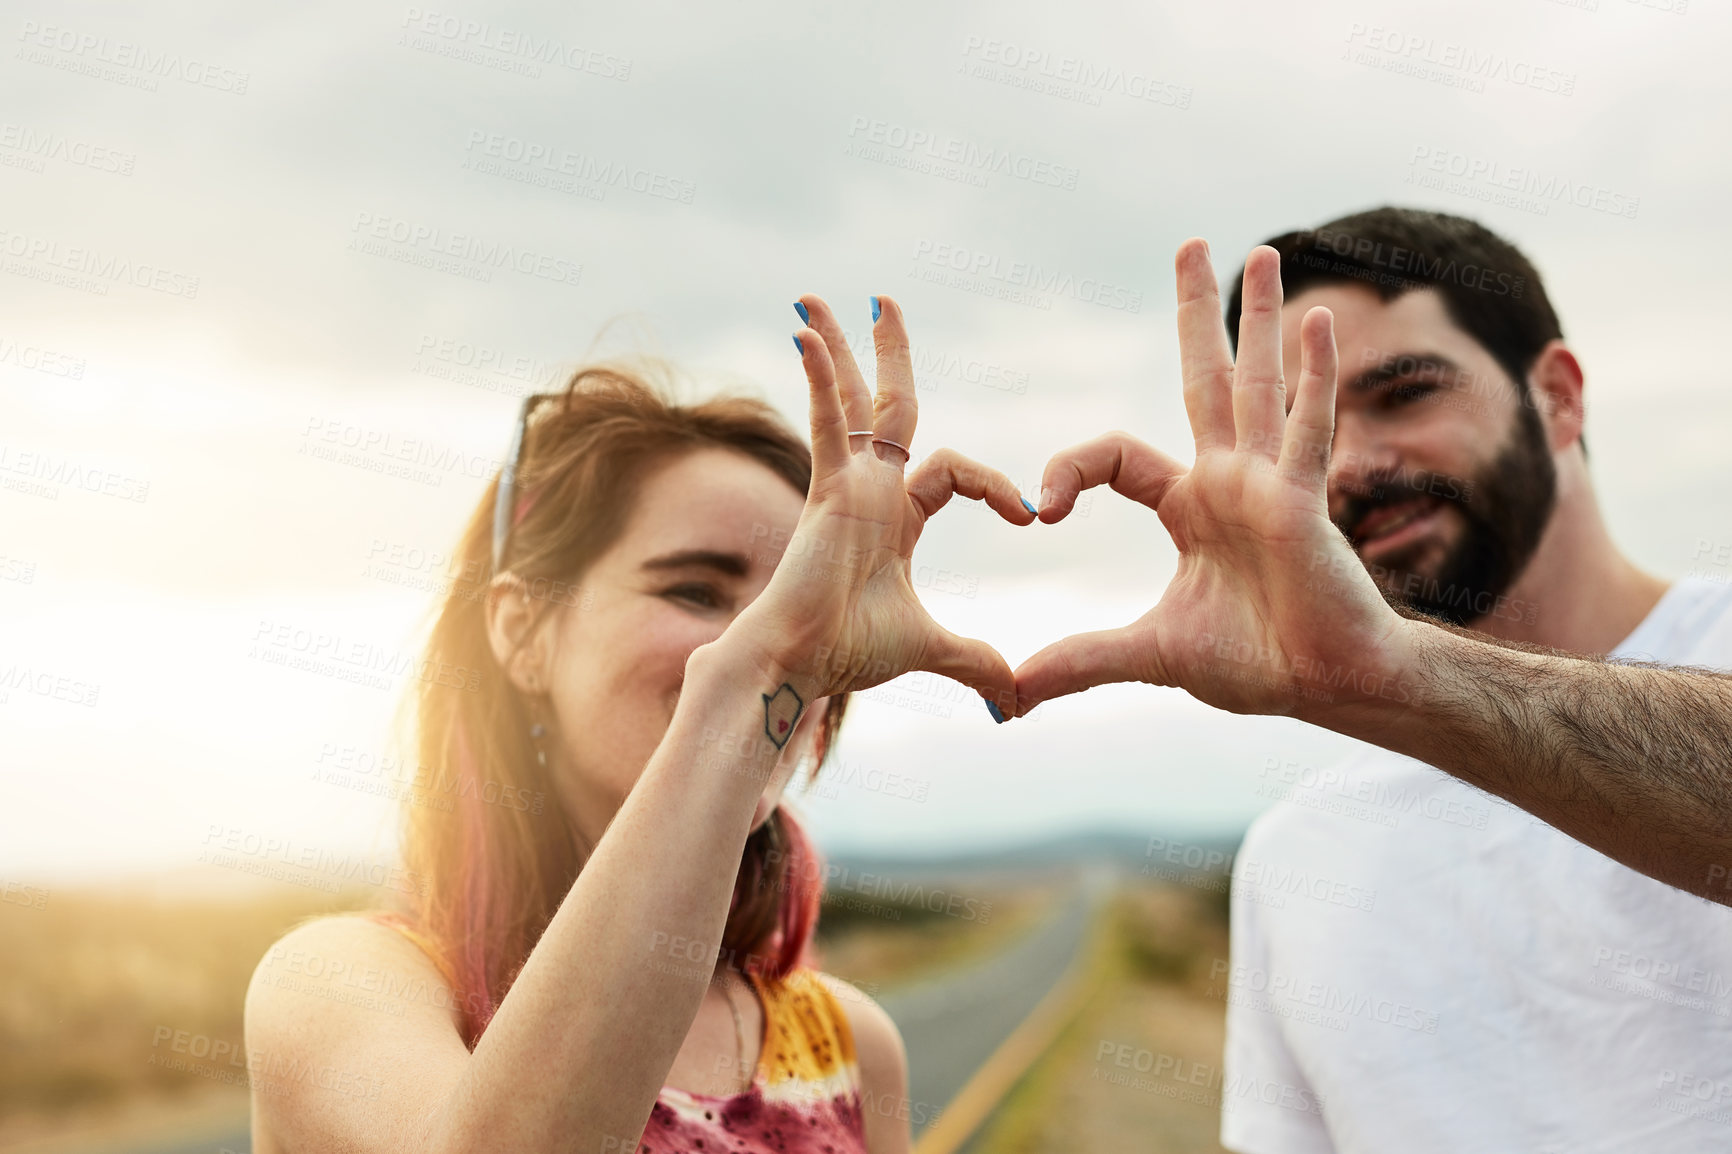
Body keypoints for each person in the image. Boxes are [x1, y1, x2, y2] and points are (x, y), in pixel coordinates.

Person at [1007, 209, 1732, 1151]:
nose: (1350, 465)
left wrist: (1400, 678)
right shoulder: (1296, 857)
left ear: (1557, 396)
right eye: (1314, 427)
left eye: (1406, 392)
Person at [243, 294, 1038, 1154]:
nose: (779, 645)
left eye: (806, 606)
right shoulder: (346, 987)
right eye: (695, 591)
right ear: (521, 630)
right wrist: (744, 689)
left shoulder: (851, 1045)